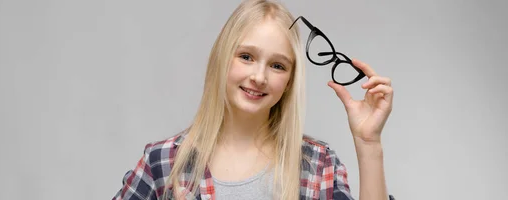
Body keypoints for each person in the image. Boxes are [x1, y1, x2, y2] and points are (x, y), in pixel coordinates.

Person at [113, 0, 395, 199]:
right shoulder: (164, 162)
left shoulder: (317, 165)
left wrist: (368, 143)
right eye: (246, 57)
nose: (259, 76)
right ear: (222, 59)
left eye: (277, 65)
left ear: (288, 83)